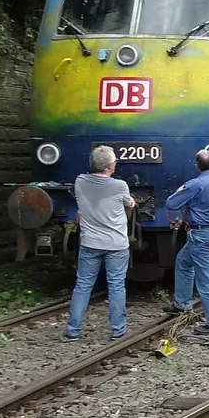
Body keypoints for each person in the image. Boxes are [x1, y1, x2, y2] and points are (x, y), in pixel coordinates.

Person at [163, 148, 209, 334]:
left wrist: (180, 190)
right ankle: (182, 304)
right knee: (183, 261)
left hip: (201, 235)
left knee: (205, 279)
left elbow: (171, 204)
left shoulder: (195, 184)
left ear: (197, 166)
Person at [66, 145, 136, 339]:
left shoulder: (80, 182)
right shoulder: (120, 186)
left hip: (90, 243)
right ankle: (118, 330)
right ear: (110, 166)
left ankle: (73, 329)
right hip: (116, 245)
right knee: (116, 286)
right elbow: (129, 203)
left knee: (83, 285)